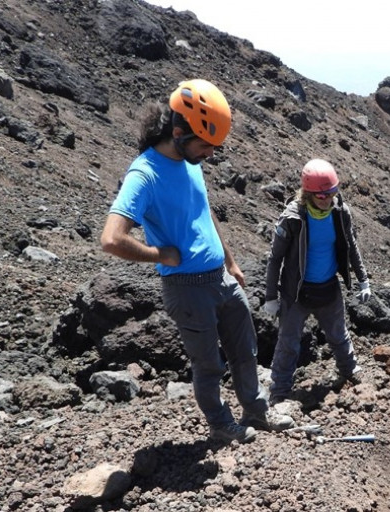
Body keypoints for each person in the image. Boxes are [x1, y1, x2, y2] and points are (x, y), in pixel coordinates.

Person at [100, 79, 293, 444]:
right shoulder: (145, 173)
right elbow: (111, 238)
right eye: (206, 145)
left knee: (246, 351)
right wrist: (160, 255)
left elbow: (205, 210)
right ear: (178, 132)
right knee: (209, 365)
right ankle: (221, 425)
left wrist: (231, 262)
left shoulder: (190, 160)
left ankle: (256, 411)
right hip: (186, 288)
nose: (210, 154)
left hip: (220, 277)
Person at [262, 158, 372, 405]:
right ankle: (279, 391)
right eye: (319, 194)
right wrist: (271, 297)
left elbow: (351, 246)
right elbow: (275, 258)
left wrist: (363, 279)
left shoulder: (341, 213)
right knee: (288, 343)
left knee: (339, 335)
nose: (325, 198)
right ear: (308, 192)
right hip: (296, 292)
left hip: (328, 288)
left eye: (330, 193)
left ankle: (349, 370)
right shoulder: (291, 218)